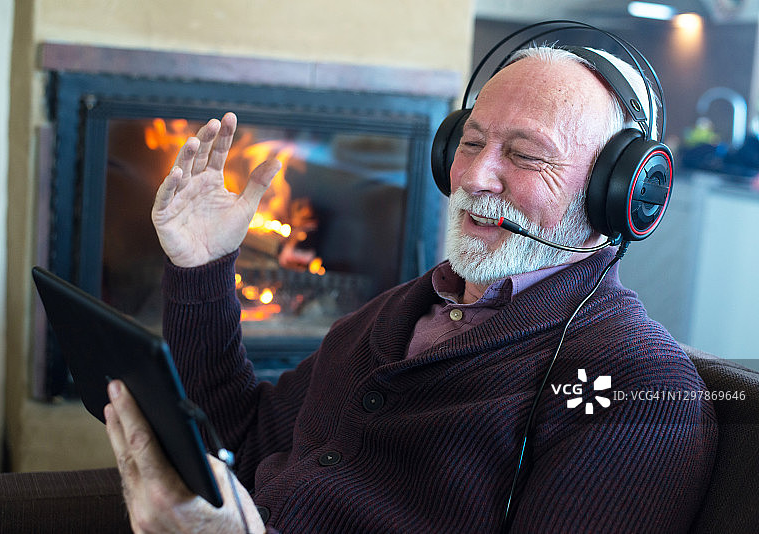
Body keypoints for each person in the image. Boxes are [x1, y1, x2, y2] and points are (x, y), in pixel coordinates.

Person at [104, 43, 718, 533]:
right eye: (469, 142)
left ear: (620, 193)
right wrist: (203, 266)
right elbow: (240, 436)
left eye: (525, 156)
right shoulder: (405, 309)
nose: (474, 176)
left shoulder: (637, 387)